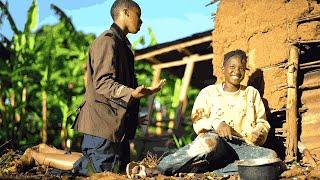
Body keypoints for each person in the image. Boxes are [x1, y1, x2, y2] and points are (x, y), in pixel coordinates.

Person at [19, 0, 165, 176]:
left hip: (114, 124)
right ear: (125, 13)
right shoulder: (107, 42)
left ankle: (45, 149)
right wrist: (131, 93)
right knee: (95, 168)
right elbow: (103, 82)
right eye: (138, 15)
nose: (141, 21)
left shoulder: (123, 46)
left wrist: (132, 116)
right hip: (102, 120)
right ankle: (37, 156)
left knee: (106, 164)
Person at [127, 49, 278, 178]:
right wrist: (217, 123)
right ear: (223, 68)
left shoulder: (251, 93)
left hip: (243, 145)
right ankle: (157, 169)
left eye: (241, 68)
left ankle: (214, 170)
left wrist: (259, 132)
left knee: (270, 157)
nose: (237, 71)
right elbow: (197, 119)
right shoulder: (209, 92)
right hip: (217, 142)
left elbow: (262, 122)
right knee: (208, 144)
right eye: (232, 66)